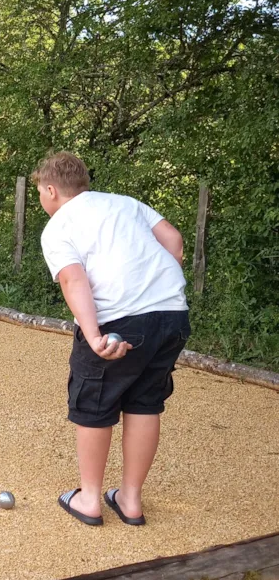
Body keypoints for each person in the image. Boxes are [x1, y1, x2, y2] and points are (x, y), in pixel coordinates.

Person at [33, 152, 191, 526]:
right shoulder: (125, 204)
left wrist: (93, 336)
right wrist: (156, 286)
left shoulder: (58, 226)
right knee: (145, 401)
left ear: (51, 190)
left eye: (40, 191)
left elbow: (74, 280)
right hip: (171, 314)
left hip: (119, 320)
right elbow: (174, 239)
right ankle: (130, 501)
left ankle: (89, 500)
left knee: (94, 404)